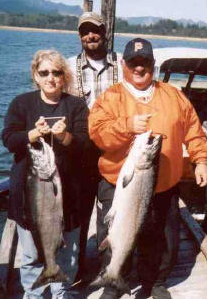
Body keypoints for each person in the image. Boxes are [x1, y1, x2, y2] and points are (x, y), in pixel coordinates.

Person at [88, 38, 207, 299]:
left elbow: (194, 131)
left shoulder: (173, 95)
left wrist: (201, 160)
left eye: (145, 63)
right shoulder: (111, 97)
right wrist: (128, 125)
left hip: (164, 185)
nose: (139, 68)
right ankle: (114, 280)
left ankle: (155, 281)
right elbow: (98, 133)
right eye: (133, 63)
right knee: (116, 234)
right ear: (123, 64)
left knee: (163, 240)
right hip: (120, 184)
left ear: (152, 64)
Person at [2, 49, 89, 299]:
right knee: (30, 256)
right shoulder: (22, 103)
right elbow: (8, 139)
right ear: (35, 76)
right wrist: (32, 134)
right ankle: (33, 295)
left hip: (69, 196)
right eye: (44, 72)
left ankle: (63, 293)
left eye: (56, 72)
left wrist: (64, 136)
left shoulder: (76, 105)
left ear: (64, 76)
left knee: (68, 254)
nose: (51, 77)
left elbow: (85, 144)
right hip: (30, 197)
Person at [67, 11, 121, 278]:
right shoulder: (67, 68)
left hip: (114, 150)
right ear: (79, 36)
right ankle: (75, 267)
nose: (90, 35)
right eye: (84, 31)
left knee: (112, 210)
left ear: (105, 32)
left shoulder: (123, 65)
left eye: (95, 30)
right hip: (81, 153)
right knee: (80, 209)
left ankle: (109, 267)